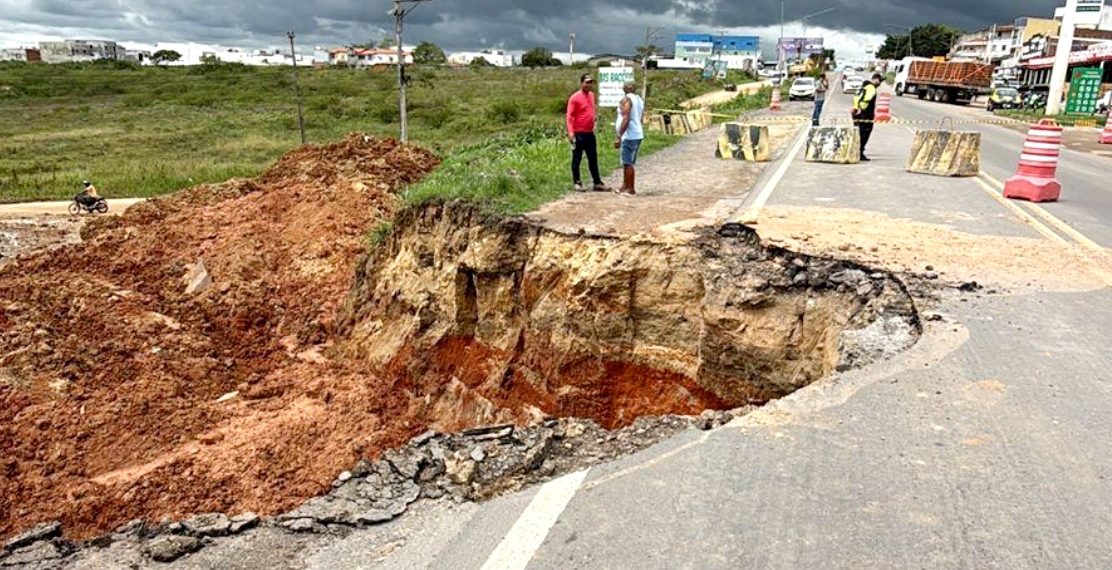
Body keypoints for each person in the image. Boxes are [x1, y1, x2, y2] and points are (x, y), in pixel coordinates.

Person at [566, 73, 608, 192]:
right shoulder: (575, 98)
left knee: (593, 158)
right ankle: (577, 182)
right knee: (577, 158)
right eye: (587, 82)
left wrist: (593, 118)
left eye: (591, 82)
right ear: (582, 83)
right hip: (578, 133)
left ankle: (597, 182)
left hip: (589, 133)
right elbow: (569, 116)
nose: (589, 85)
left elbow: (591, 109)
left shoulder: (591, 95)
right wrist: (570, 132)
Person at [613, 81, 644, 196]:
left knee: (627, 162)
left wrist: (619, 136)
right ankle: (624, 186)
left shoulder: (626, 100)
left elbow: (626, 118)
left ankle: (630, 189)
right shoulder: (639, 99)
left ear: (624, 89)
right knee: (626, 161)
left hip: (629, 135)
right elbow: (641, 117)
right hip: (637, 133)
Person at [852, 73, 882, 162]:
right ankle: (860, 152)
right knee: (865, 134)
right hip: (865, 114)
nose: (880, 83)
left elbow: (856, 97)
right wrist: (862, 109)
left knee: (859, 133)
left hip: (857, 113)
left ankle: (856, 151)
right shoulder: (871, 88)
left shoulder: (863, 87)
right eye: (879, 81)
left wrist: (856, 108)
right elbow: (867, 100)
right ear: (875, 79)